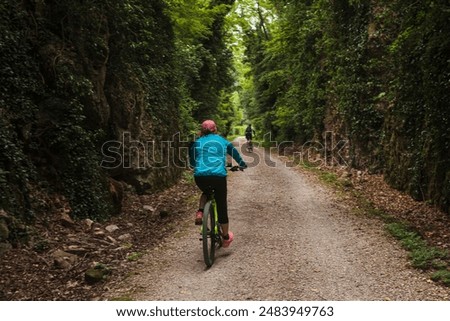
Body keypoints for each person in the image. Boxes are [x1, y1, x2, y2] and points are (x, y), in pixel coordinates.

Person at [189, 120, 247, 248]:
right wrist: (241, 163)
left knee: (206, 192)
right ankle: (225, 237)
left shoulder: (196, 142)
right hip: (218, 177)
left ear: (202, 130)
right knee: (221, 204)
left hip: (200, 177)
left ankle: (200, 211)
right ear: (215, 129)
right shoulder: (222, 141)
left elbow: (192, 162)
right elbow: (234, 153)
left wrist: (196, 165)